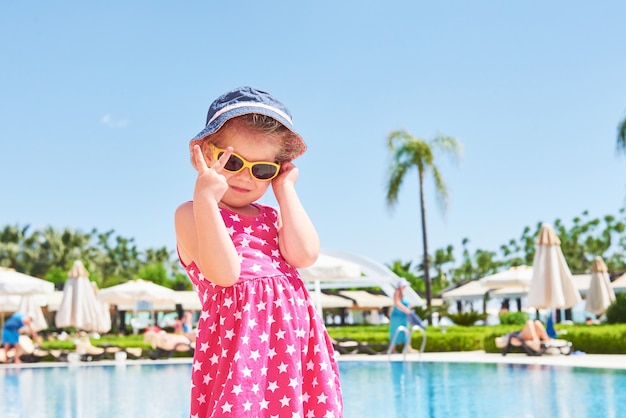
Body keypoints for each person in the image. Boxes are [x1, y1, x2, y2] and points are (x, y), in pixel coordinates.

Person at [174, 86, 343, 417]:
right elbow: (225, 274)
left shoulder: (273, 216)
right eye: (233, 161)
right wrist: (207, 198)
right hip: (242, 354)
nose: (245, 176)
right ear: (206, 153)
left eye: (262, 169)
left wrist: (284, 190)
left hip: (293, 351)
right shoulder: (191, 213)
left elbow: (305, 255)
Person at [388, 279, 424, 353]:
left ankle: (408, 348)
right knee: (396, 331)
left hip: (403, 316)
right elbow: (397, 303)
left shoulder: (402, 294)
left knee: (406, 331)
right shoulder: (397, 292)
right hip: (397, 316)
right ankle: (393, 349)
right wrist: (406, 310)